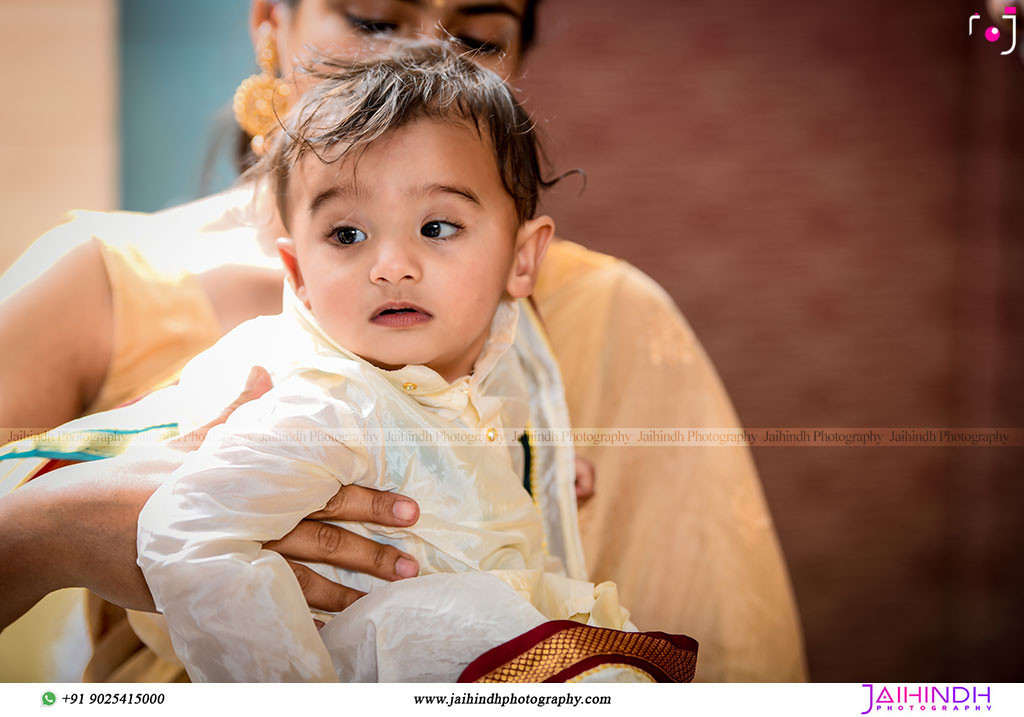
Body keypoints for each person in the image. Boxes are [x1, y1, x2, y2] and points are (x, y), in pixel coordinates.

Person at [0, 0, 805, 682]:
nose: (426, 52)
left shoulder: (609, 318)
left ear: (524, 256)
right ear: (270, 22)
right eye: (376, 16)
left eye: (480, 31)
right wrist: (49, 528)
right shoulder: (92, 284)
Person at [119, 44, 697, 682]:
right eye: (347, 235)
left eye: (437, 227)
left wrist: (536, 468)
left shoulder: (470, 384)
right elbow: (185, 531)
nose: (390, 264)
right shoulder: (328, 402)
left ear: (523, 258)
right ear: (297, 274)